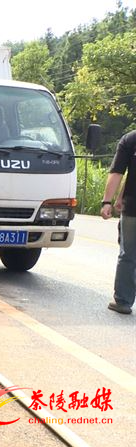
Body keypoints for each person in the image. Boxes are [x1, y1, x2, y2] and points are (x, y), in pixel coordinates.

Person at [100, 130, 136, 315]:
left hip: (133, 210)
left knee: (128, 255)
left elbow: (118, 172)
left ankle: (123, 301)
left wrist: (107, 201)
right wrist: (120, 197)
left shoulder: (131, 139)